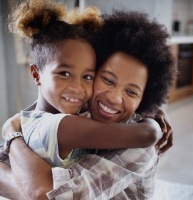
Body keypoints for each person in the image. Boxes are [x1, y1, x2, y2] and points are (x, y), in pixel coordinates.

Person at [0, 5, 176, 200]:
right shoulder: (77, 112)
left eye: (131, 91)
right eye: (108, 80)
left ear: (145, 97)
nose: (114, 98)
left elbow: (46, 195)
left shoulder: (139, 150)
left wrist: (12, 133)